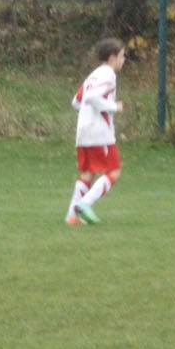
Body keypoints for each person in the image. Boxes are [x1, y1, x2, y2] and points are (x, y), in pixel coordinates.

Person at [66, 37, 126, 225]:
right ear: (112, 58)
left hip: (83, 132)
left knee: (89, 173)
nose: (123, 60)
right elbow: (92, 97)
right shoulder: (109, 75)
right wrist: (113, 107)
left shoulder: (94, 75)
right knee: (114, 171)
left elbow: (76, 101)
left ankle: (72, 216)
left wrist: (89, 113)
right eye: (122, 56)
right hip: (100, 133)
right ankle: (84, 204)